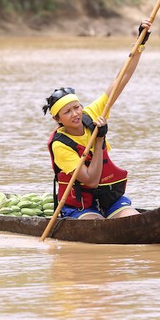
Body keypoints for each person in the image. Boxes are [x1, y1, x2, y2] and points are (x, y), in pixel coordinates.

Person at [42, 19, 151, 220]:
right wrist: (99, 140)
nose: (75, 114)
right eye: (67, 112)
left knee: (131, 219)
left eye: (76, 107)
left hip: (110, 199)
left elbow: (122, 77)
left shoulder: (91, 115)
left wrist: (140, 42)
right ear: (58, 120)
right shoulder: (60, 145)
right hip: (81, 206)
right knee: (98, 225)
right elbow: (91, 181)